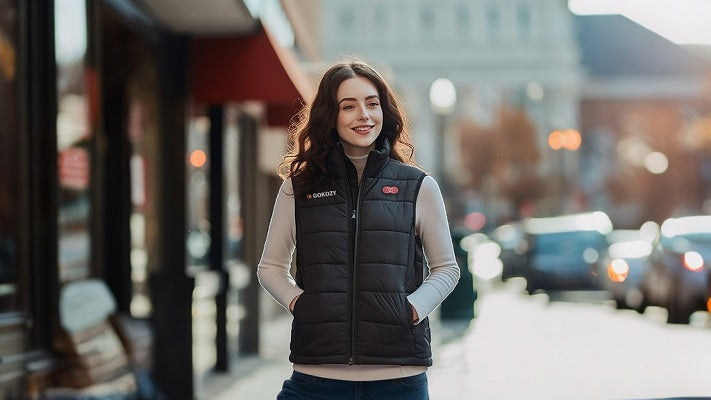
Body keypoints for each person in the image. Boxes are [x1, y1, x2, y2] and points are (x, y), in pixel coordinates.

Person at [257, 58, 461, 400]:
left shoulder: (418, 186)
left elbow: (446, 269)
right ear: (330, 116)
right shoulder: (300, 188)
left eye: (372, 104)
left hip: (398, 378)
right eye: (348, 106)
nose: (364, 115)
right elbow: (270, 268)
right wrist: (302, 305)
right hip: (316, 377)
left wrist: (410, 309)